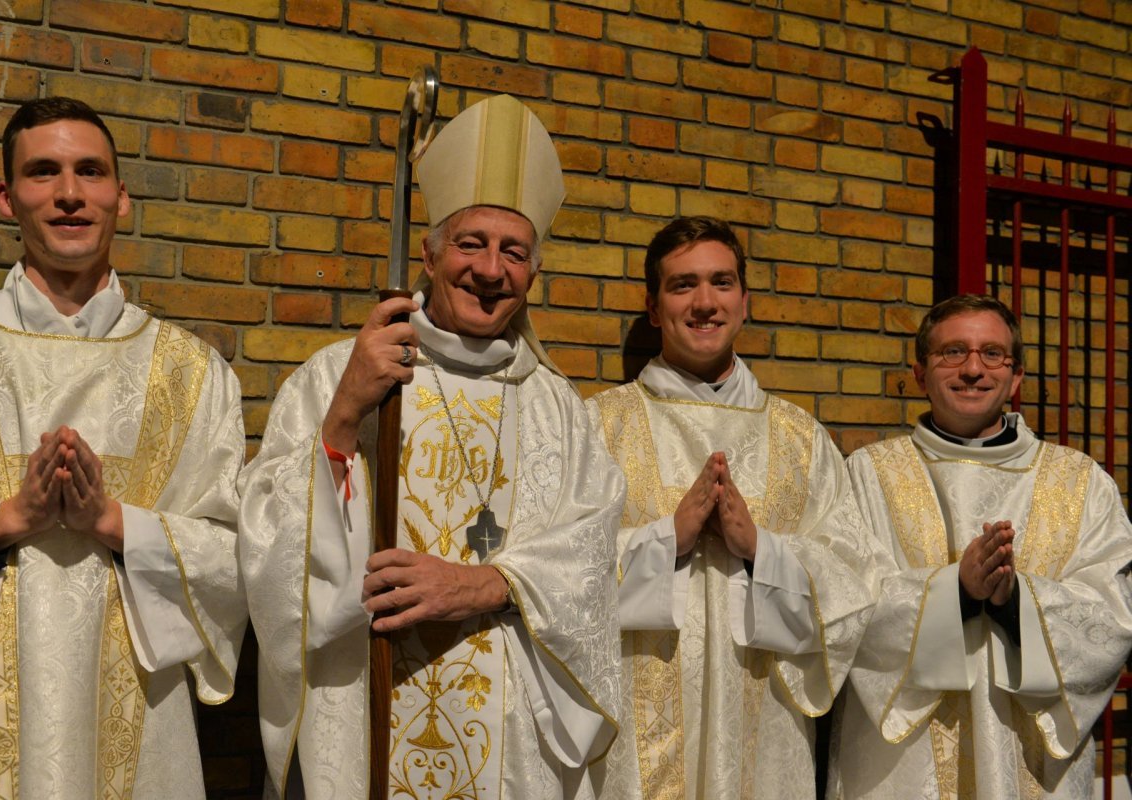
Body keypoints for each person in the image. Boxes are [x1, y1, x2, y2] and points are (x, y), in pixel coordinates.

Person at [239, 93, 625, 799]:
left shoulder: (559, 409)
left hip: (512, 742)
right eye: (471, 243)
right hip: (364, 715)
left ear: (534, 273)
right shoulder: (339, 373)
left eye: (514, 252)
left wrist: (490, 584)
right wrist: (343, 421)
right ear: (430, 252)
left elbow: (597, 555)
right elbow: (266, 552)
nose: (490, 269)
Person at [0, 97, 247, 799]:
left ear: (121, 198)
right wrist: (4, 520)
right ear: (6, 197)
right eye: (43, 173)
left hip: (140, 706)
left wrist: (113, 522)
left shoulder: (191, 375)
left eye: (90, 172)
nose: (70, 194)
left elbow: (235, 556)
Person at [586, 216, 878, 799]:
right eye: (682, 285)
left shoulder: (802, 440)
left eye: (721, 283)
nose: (704, 303)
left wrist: (760, 550)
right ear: (652, 307)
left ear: (745, 303)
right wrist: (667, 539)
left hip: (766, 732)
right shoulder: (599, 427)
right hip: (629, 742)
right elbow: (557, 575)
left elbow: (856, 581)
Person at [830, 294, 1132, 799]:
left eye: (992, 354)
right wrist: (958, 592)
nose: (973, 369)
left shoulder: (1080, 482)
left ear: (1015, 378)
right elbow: (842, 607)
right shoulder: (868, 474)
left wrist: (1015, 599)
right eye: (953, 353)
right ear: (921, 373)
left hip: (1032, 769)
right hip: (902, 772)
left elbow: (1113, 618)